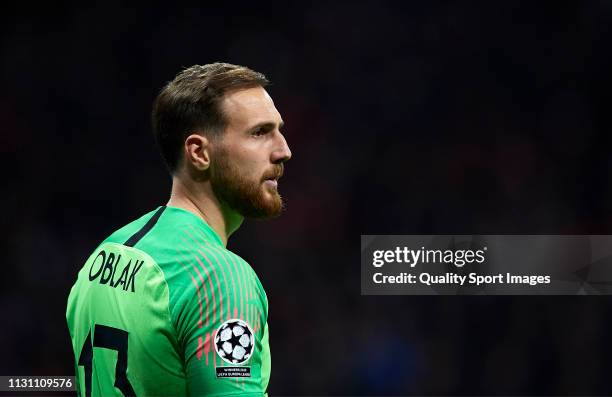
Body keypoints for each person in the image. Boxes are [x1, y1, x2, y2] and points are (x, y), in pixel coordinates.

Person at [66, 62, 291, 396]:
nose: (283, 150)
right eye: (259, 133)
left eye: (279, 129)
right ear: (199, 152)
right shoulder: (218, 278)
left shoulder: (105, 255)